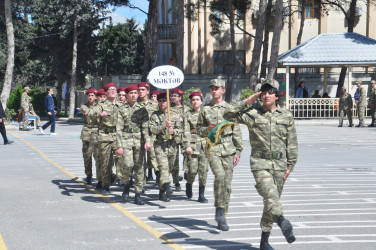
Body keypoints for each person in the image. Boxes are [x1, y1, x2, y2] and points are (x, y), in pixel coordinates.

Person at [223, 81, 298, 249]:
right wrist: (246, 101)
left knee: (270, 202)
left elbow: (292, 143)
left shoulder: (286, 115)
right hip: (260, 163)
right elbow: (227, 114)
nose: (266, 95)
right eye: (263, 92)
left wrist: (290, 167)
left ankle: (264, 240)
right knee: (271, 196)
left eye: (270, 92)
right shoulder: (253, 114)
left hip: (280, 164)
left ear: (277, 96)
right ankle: (281, 220)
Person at [196, 79, 243, 231]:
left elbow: (236, 130)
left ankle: (223, 214)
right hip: (213, 148)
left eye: (217, 88)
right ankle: (219, 209)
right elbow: (198, 129)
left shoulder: (230, 109)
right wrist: (207, 129)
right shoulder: (205, 110)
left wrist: (238, 150)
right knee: (220, 176)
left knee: (227, 185)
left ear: (223, 90)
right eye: (212, 88)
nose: (214, 91)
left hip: (229, 149)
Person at [115, 85, 151, 205]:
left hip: (139, 140)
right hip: (126, 139)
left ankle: (138, 194)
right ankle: (126, 186)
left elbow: (145, 127)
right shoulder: (121, 109)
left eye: (136, 93)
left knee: (140, 167)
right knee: (128, 165)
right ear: (127, 95)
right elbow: (118, 129)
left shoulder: (142, 109)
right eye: (131, 93)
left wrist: (147, 141)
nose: (134, 95)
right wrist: (119, 146)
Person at [149, 92, 180, 202]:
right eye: (160, 100)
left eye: (164, 100)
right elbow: (152, 130)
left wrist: (174, 131)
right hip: (160, 145)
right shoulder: (154, 115)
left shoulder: (175, 115)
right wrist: (164, 126)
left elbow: (181, 131)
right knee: (163, 168)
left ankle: (161, 192)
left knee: (169, 169)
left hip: (172, 146)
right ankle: (167, 186)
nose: (162, 103)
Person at [93, 83, 122, 195]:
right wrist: (99, 115)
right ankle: (105, 185)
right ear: (106, 92)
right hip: (105, 136)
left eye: (114, 89)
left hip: (118, 136)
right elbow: (93, 113)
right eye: (110, 90)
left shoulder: (121, 105)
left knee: (121, 159)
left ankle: (120, 178)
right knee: (106, 162)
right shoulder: (101, 105)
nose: (113, 91)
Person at [183, 91, 209, 203]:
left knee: (203, 171)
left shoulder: (207, 113)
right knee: (193, 171)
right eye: (193, 100)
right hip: (193, 145)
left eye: (197, 99)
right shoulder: (188, 115)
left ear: (201, 101)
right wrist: (187, 145)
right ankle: (189, 183)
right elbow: (186, 131)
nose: (195, 102)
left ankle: (201, 195)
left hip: (205, 145)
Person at [137, 82, 159, 183]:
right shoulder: (136, 105)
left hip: (152, 134)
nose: (140, 92)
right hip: (139, 135)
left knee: (154, 156)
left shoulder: (155, 105)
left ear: (147, 91)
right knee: (140, 159)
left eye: (143, 90)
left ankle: (159, 176)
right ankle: (142, 181)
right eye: (139, 90)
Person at [80, 88, 100, 185]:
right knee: (87, 156)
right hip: (87, 133)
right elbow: (86, 112)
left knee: (97, 156)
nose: (91, 97)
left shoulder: (100, 106)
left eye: (92, 95)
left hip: (97, 132)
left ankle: (99, 176)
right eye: (89, 96)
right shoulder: (84, 106)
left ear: (95, 97)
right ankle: (88, 176)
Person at [170, 88, 188, 191]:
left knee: (187, 157)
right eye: (172, 95)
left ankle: (186, 172)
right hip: (174, 137)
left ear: (180, 97)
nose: (172, 97)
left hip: (185, 136)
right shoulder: (169, 109)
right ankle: (176, 182)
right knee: (174, 160)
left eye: (175, 96)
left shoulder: (186, 109)